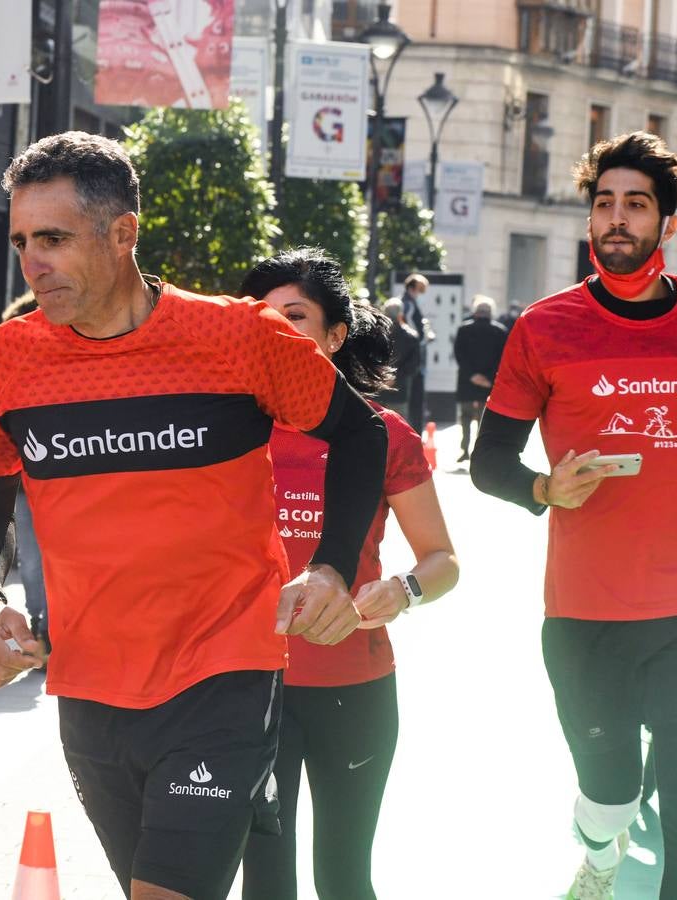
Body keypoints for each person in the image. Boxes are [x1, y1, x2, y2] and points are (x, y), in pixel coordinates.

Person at [0, 132, 389, 900]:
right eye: (21, 242)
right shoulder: (6, 359)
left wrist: (332, 566)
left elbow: (359, 433)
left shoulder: (236, 336)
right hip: (89, 691)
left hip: (224, 677)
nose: (31, 262)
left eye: (52, 238)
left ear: (122, 234)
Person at [470, 132, 677, 900]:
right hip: (587, 613)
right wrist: (545, 490)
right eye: (603, 203)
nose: (616, 218)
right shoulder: (544, 328)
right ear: (589, 220)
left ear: (664, 226)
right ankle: (599, 850)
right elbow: (488, 464)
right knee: (610, 801)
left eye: (635, 206)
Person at [237, 248, 459, 900]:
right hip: (245, 689)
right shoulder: (224, 432)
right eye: (261, 316)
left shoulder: (381, 434)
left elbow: (442, 560)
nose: (275, 329)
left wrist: (403, 590)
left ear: (335, 335)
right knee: (264, 881)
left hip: (352, 684)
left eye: (295, 316)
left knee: (343, 877)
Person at [0, 291, 50, 655]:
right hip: (24, 486)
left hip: (69, 484)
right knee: (32, 562)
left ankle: (56, 628)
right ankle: (43, 629)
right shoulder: (9, 374)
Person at [452, 295, 508, 462]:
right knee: (485, 420)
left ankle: (464, 450)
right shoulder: (500, 331)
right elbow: (503, 357)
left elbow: (459, 354)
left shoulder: (464, 329)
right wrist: (488, 378)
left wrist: (472, 375)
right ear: (491, 313)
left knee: (466, 417)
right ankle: (479, 451)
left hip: (467, 381)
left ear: (475, 312)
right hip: (490, 383)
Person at [397, 273, 434, 427]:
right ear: (413, 287)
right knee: (415, 399)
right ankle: (415, 431)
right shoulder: (408, 304)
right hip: (415, 357)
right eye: (420, 290)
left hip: (412, 355)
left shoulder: (406, 302)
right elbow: (412, 329)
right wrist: (424, 337)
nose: (421, 294)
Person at [379, 297, 421, 424]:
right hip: (399, 390)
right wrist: (395, 377)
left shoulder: (376, 334)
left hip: (377, 388)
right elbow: (414, 365)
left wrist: (381, 375)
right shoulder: (411, 336)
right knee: (398, 425)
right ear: (401, 314)